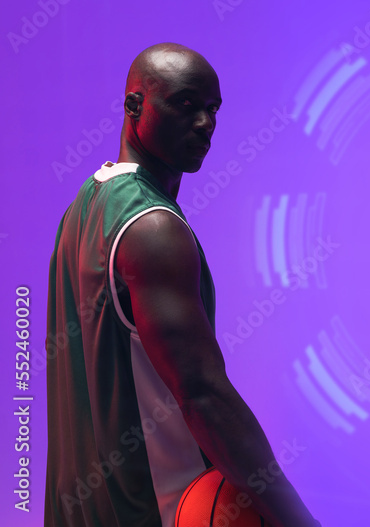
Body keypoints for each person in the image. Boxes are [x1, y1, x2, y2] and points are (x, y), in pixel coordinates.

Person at [44, 42, 321, 527]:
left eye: (213, 109)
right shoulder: (152, 228)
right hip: (157, 509)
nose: (205, 124)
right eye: (185, 104)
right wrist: (295, 517)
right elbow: (203, 395)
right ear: (134, 105)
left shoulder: (82, 209)